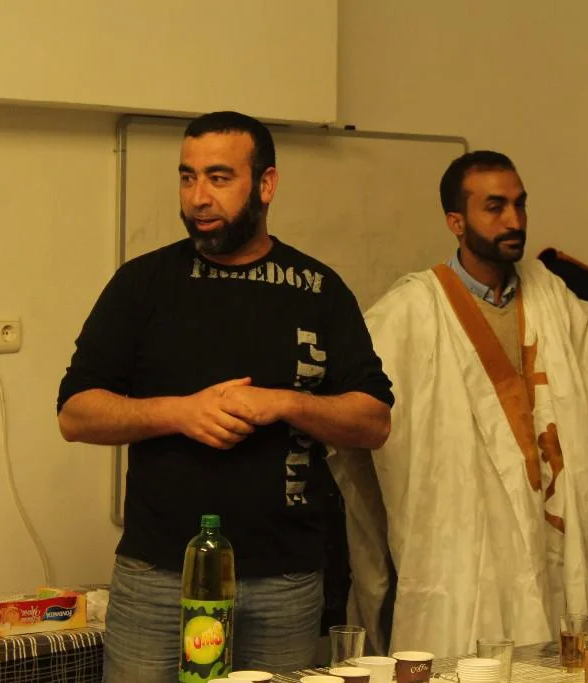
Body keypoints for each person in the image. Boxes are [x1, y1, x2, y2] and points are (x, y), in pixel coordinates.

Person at [57, 111, 393, 682]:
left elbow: (374, 421)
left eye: (218, 178)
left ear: (266, 184)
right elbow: (75, 413)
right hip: (157, 574)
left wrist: (287, 403)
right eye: (187, 178)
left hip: (283, 580)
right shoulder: (143, 283)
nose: (198, 198)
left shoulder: (319, 290)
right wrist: (180, 412)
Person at [332, 151, 588, 658]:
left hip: (544, 528)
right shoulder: (410, 310)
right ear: (456, 221)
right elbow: (361, 417)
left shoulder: (552, 296)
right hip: (458, 542)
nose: (514, 220)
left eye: (520, 204)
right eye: (495, 207)